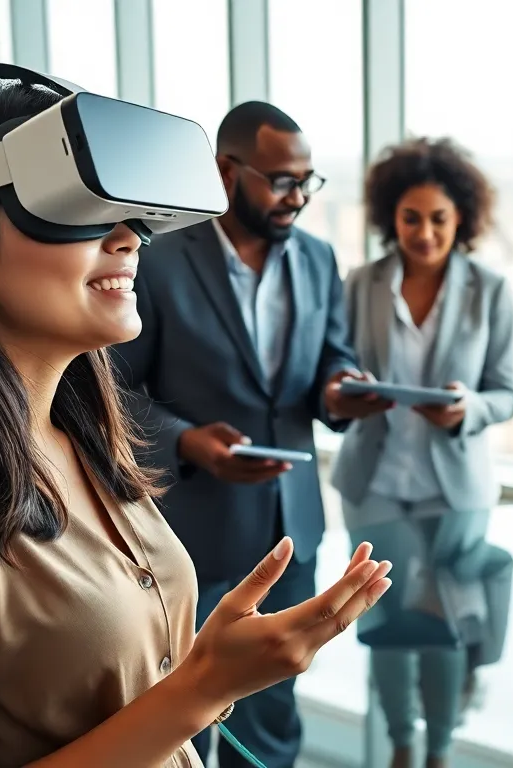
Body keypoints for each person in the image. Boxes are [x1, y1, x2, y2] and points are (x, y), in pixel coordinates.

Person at [0, 77, 391, 768]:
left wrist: (209, 671)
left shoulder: (86, 448)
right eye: (73, 210)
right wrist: (205, 686)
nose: (127, 239)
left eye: (124, 212)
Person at [112, 101, 390, 767]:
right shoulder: (159, 259)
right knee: (173, 706)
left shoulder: (319, 260)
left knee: (272, 710)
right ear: (224, 171)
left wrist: (340, 386)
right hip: (191, 531)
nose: (297, 196)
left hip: (292, 528)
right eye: (281, 180)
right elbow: (113, 392)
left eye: (307, 180)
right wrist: (184, 440)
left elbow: (331, 355)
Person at [330, 137, 513, 768]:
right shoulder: (361, 284)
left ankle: (440, 749)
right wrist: (349, 390)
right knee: (384, 626)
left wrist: (469, 408)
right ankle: (401, 747)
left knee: (443, 627)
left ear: (461, 217)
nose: (425, 232)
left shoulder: (489, 290)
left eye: (439, 218)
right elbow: (335, 367)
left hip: (453, 489)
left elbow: (508, 394)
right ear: (393, 217)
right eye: (412, 218)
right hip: (376, 480)